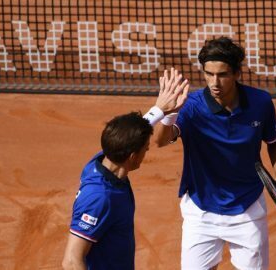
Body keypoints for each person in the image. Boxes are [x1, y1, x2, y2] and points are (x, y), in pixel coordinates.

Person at [155, 37, 276, 270]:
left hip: (247, 210)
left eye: (222, 75)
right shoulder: (191, 105)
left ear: (237, 73)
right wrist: (168, 114)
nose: (214, 82)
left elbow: (274, 141)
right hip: (201, 211)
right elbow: (160, 140)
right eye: (208, 74)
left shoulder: (261, 102)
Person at [62, 68, 189, 270]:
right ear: (133, 157)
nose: (147, 152)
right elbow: (71, 260)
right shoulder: (100, 198)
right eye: (145, 149)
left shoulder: (105, 158)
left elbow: (126, 135)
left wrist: (160, 109)